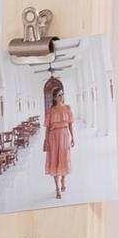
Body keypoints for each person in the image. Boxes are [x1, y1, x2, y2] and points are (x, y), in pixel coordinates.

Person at [39, 70, 76, 201]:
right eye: (59, 95)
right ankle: (57, 188)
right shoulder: (51, 111)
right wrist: (46, 141)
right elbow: (47, 128)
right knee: (55, 160)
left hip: (65, 135)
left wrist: (73, 137)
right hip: (53, 137)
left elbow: (71, 124)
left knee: (64, 158)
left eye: (62, 94)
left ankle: (63, 181)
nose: (61, 97)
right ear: (54, 97)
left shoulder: (68, 108)